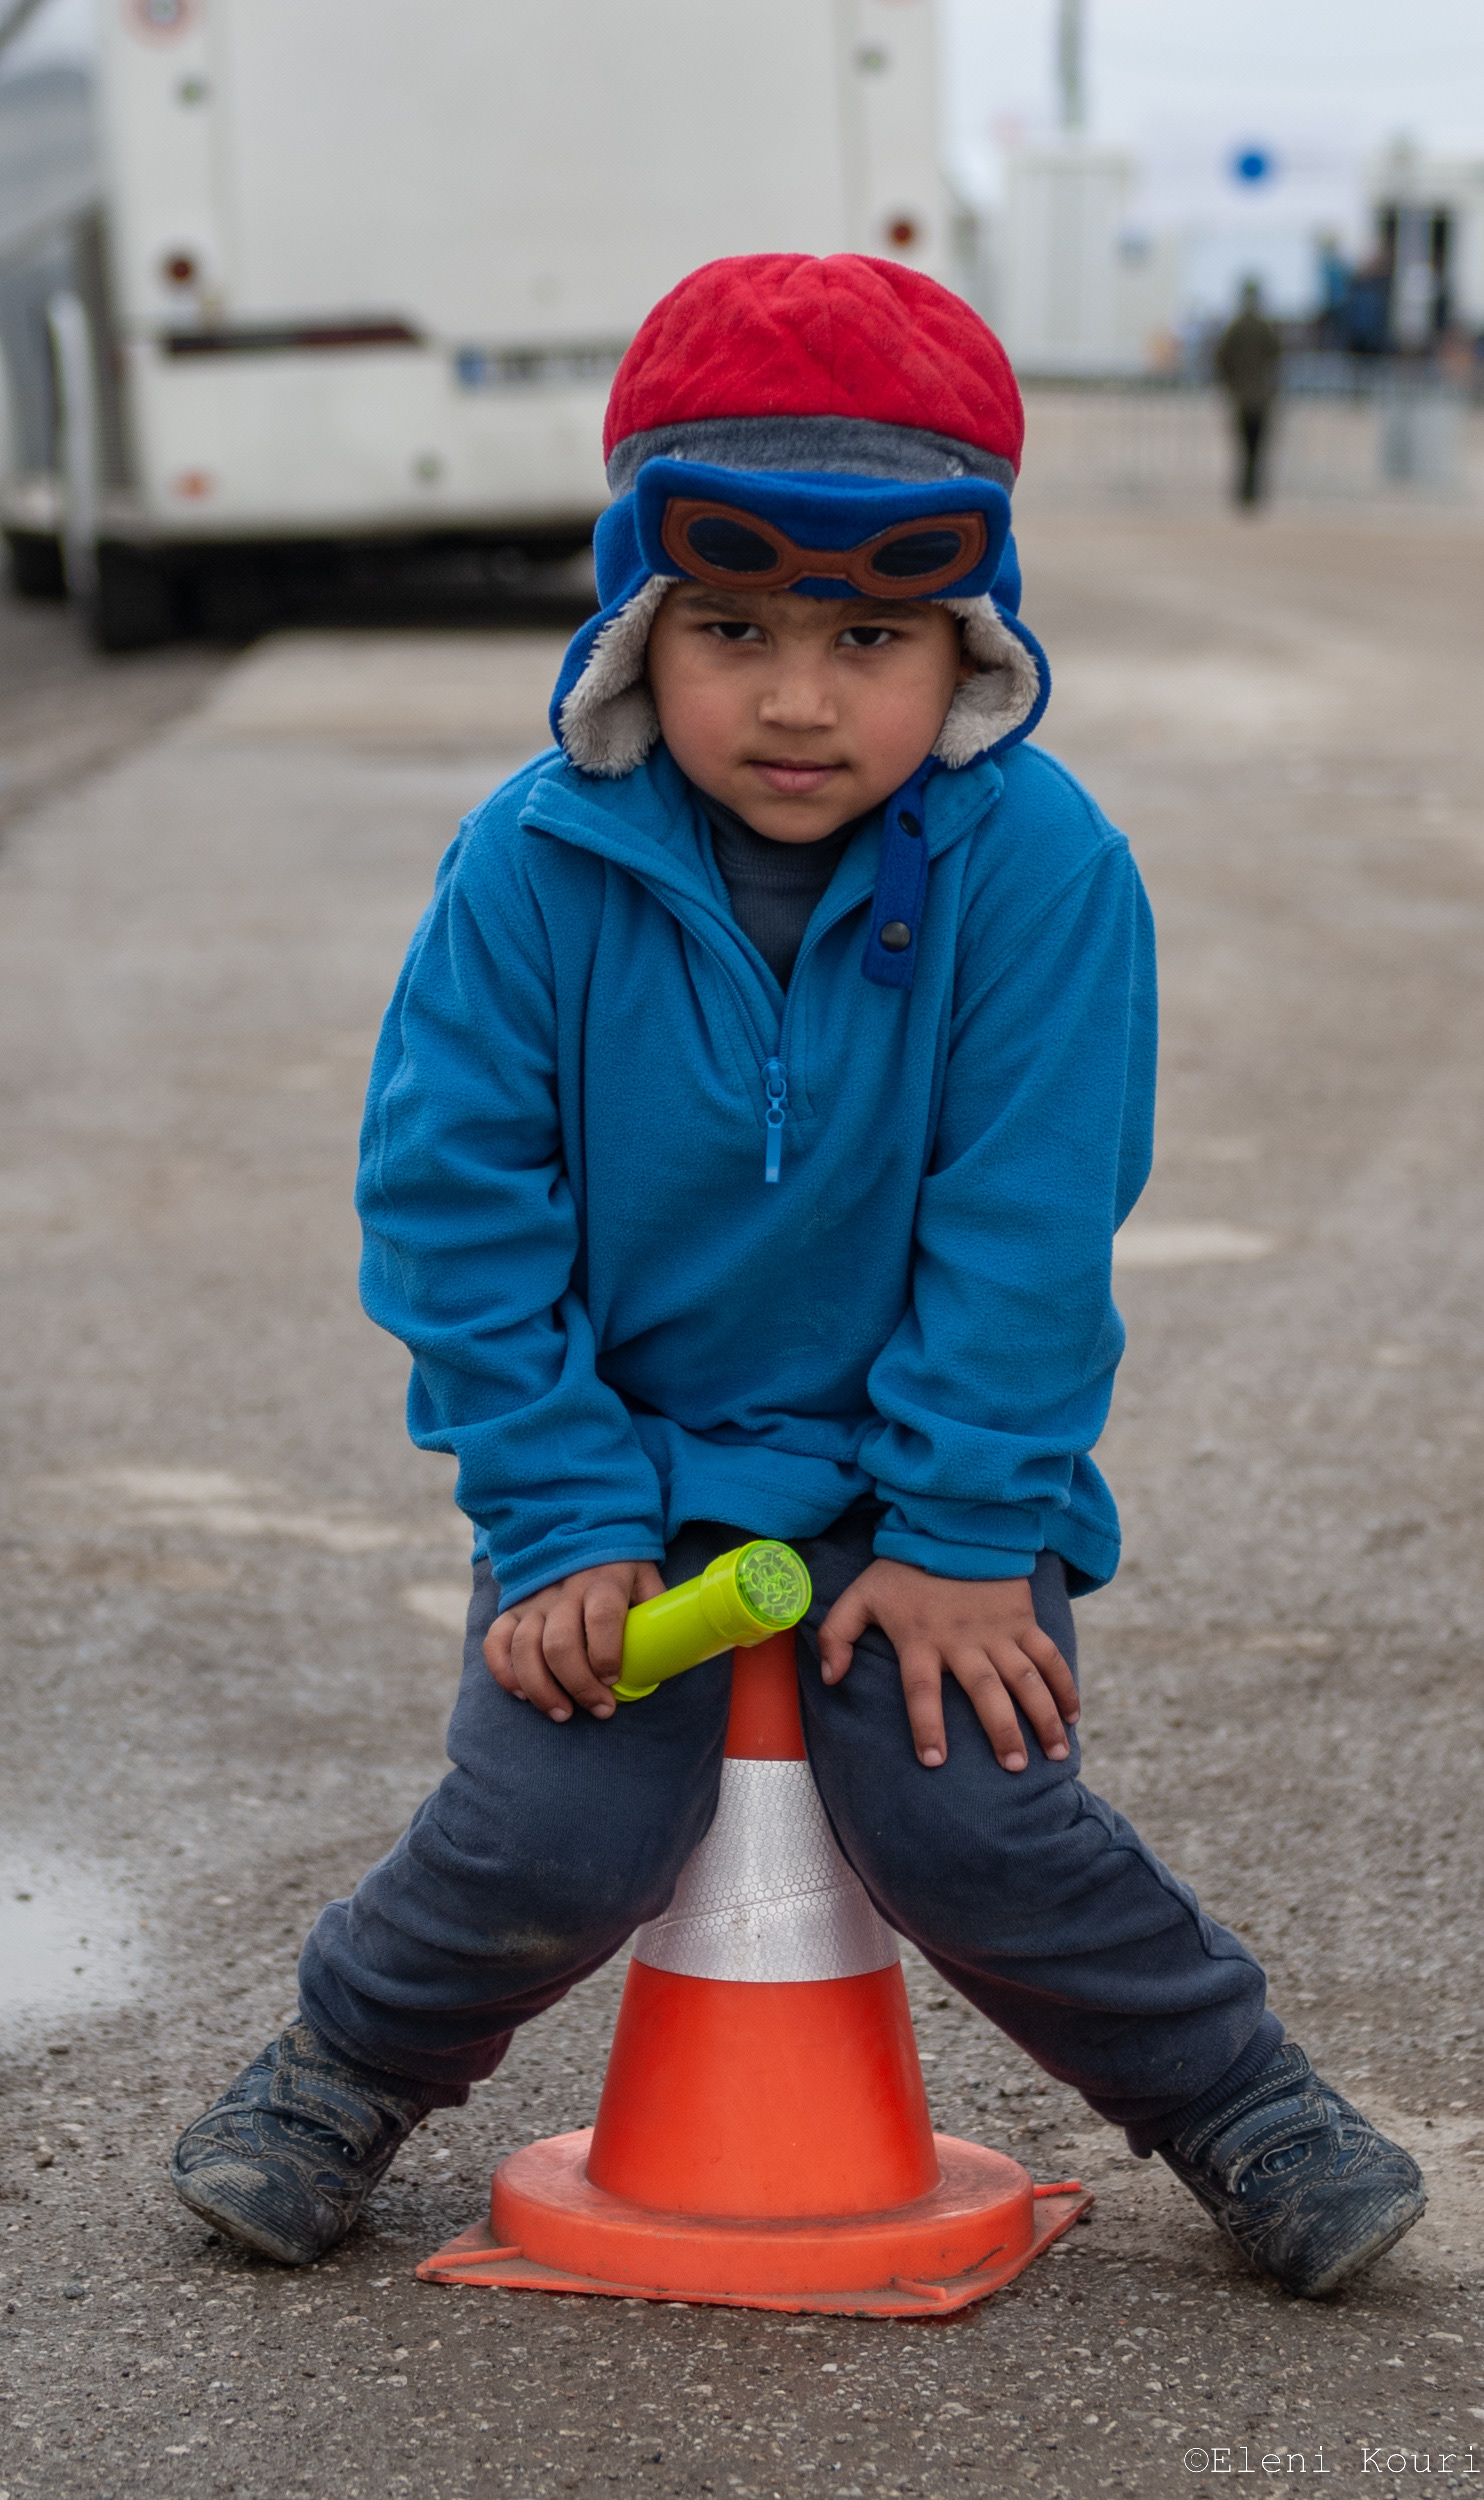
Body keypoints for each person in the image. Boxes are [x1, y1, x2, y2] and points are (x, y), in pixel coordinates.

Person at [169, 254, 1423, 2299]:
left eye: (873, 637)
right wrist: (561, 1513)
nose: (799, 695)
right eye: (729, 629)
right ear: (633, 622)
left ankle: (1238, 2101)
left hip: (915, 1473)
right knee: (545, 1832)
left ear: (972, 639)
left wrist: (953, 1530)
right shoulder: (529, 862)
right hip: (627, 1476)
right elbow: (454, 1209)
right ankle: (338, 2070)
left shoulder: (1041, 866)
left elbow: (1027, 1226)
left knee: (974, 1816)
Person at [1215, 278, 1284, 506]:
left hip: (1241, 398)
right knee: (1257, 449)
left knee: (1243, 447)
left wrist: (1230, 385)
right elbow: (1277, 357)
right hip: (1260, 398)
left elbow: (1221, 359)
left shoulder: (1236, 327)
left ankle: (1244, 492)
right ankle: (1252, 492)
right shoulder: (1264, 327)